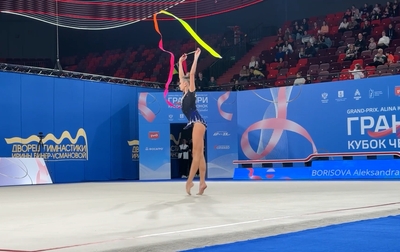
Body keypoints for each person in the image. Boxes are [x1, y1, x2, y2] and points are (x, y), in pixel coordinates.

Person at [178, 48, 207, 196]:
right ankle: (202, 183)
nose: (179, 84)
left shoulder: (191, 90)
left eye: (181, 83)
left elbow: (192, 74)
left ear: (186, 84)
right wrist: (180, 62)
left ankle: (189, 181)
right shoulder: (185, 93)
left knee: (196, 154)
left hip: (197, 122)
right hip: (198, 123)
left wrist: (196, 58)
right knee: (200, 154)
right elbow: (183, 76)